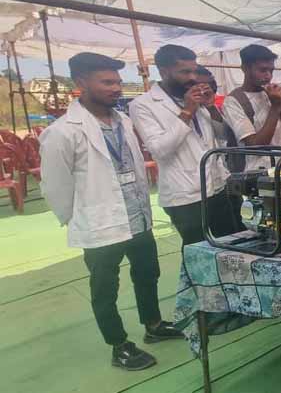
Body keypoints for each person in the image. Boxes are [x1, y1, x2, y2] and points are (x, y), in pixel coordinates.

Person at [39, 52, 183, 371]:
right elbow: (55, 185)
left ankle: (153, 325)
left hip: (137, 218)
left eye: (117, 82)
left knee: (147, 273)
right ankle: (119, 345)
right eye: (106, 82)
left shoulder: (123, 122)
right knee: (105, 288)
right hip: (101, 224)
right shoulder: (62, 132)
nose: (116, 88)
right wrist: (78, 218)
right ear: (81, 82)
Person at [129, 45, 243, 245]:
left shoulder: (194, 97)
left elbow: (223, 136)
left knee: (229, 246)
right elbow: (160, 150)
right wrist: (188, 111)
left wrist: (210, 107)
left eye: (194, 71)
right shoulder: (143, 105)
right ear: (163, 71)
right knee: (197, 251)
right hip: (184, 195)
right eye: (185, 72)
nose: (192, 78)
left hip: (217, 186)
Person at [221, 44, 281, 171]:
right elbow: (256, 145)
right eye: (263, 70)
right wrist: (275, 107)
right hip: (259, 174)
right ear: (245, 69)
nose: (268, 76)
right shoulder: (233, 101)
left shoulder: (270, 94)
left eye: (271, 71)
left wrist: (280, 104)